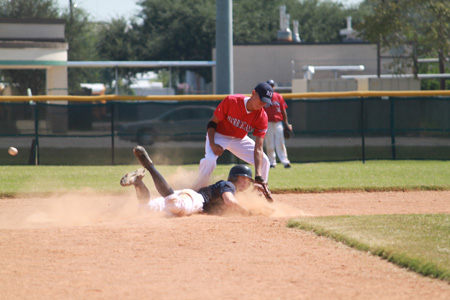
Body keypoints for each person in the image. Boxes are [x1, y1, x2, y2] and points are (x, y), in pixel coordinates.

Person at [193, 82, 274, 201]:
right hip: (219, 135)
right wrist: (212, 144)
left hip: (239, 139)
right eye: (261, 99)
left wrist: (258, 176)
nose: (262, 104)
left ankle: (258, 192)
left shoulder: (262, 116)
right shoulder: (232, 101)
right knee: (210, 160)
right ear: (253, 93)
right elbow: (212, 123)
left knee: (265, 161)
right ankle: (198, 193)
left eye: (266, 102)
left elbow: (259, 148)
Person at [120, 146, 253, 217]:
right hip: (195, 200)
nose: (245, 183)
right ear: (234, 177)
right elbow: (230, 201)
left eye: (247, 181)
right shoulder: (229, 185)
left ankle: (138, 182)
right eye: (243, 179)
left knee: (146, 209)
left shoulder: (230, 190)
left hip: (187, 197)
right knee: (175, 205)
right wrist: (247, 212)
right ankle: (149, 166)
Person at [264, 79, 292, 169]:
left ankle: (285, 162)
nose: (271, 87)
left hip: (278, 123)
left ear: (274, 87)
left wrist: (286, 123)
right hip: (267, 123)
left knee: (280, 143)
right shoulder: (263, 97)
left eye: (272, 86)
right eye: (269, 86)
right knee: (270, 144)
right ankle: (272, 163)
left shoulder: (278, 96)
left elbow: (283, 111)